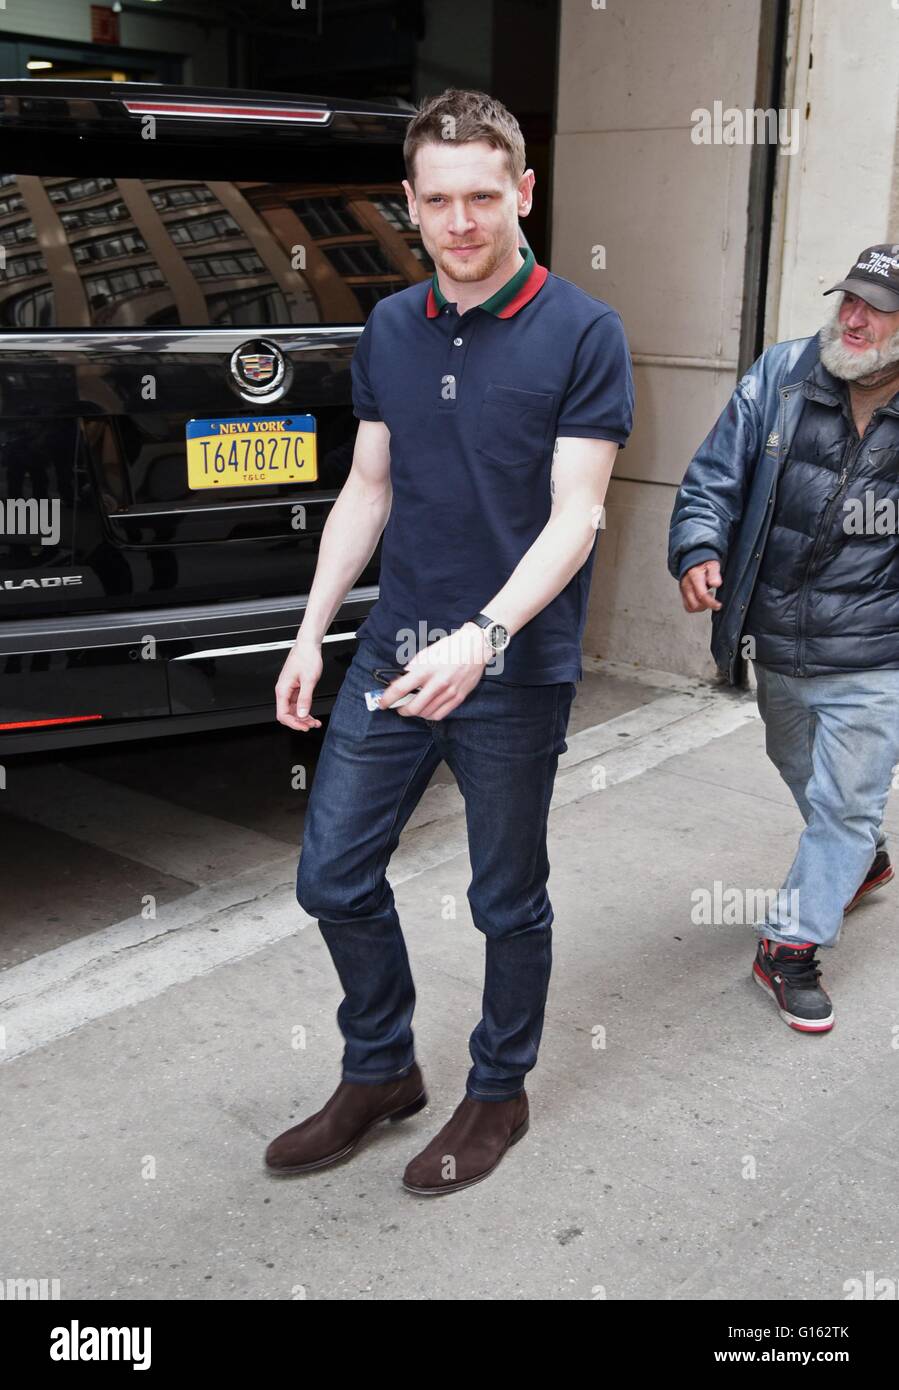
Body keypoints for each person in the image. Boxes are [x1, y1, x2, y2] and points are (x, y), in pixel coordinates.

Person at [265, 87, 633, 1194]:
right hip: (390, 651)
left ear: (523, 192)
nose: (462, 222)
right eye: (438, 201)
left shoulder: (583, 332)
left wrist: (484, 634)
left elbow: (576, 515)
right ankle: (380, 1070)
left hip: (512, 668)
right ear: (410, 207)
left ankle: (497, 1089)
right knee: (331, 878)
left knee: (503, 897)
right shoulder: (386, 327)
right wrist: (310, 633)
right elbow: (365, 490)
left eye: (484, 196)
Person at [669, 244, 899, 1033]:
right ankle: (860, 858)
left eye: (874, 307)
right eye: (848, 300)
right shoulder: (782, 376)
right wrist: (698, 547)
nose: (853, 317)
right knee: (798, 767)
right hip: (778, 637)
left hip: (875, 650)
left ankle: (789, 946)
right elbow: (712, 477)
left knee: (844, 800)